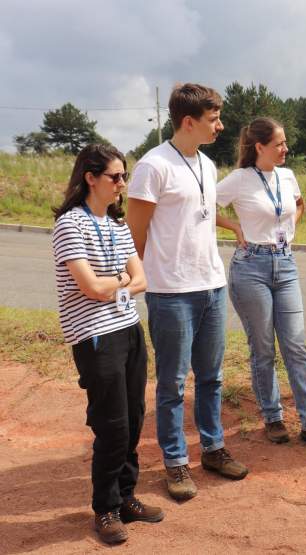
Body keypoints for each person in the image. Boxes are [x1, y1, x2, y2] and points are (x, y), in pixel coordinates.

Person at [127, 83, 248, 502]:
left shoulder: (208, 166)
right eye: (214, 119)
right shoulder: (152, 166)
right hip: (171, 292)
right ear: (188, 121)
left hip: (212, 286)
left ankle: (212, 449)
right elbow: (135, 233)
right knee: (173, 383)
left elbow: (204, 215)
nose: (220, 125)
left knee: (212, 378)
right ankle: (175, 461)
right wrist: (145, 280)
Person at [52, 144, 162, 544]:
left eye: (124, 176)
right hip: (95, 336)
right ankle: (105, 509)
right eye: (115, 177)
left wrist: (113, 282)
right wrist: (118, 281)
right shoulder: (70, 225)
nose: (122, 184)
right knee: (112, 425)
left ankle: (127, 496)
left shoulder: (117, 227)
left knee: (133, 419)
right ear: (90, 178)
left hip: (129, 329)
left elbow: (143, 280)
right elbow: (92, 287)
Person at [216, 117, 306, 451]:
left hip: (285, 264)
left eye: (285, 143)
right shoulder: (240, 180)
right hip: (251, 266)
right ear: (260, 147)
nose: (286, 149)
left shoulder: (286, 176)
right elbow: (205, 204)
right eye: (280, 143)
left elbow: (298, 205)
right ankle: (273, 418)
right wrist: (235, 228)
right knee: (264, 349)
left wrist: (288, 226)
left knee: (295, 345)